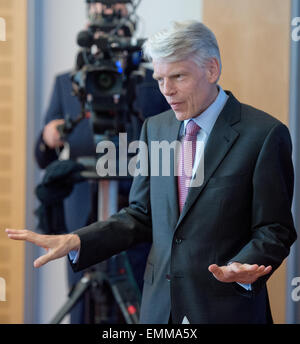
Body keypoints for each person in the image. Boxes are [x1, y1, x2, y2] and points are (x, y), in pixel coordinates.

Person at [7, 20, 297, 324]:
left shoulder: (264, 134)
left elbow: (275, 228)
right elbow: (140, 215)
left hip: (227, 309)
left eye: (178, 77)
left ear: (212, 69)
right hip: (159, 311)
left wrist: (246, 264)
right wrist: (79, 240)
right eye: (159, 79)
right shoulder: (155, 128)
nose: (167, 91)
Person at [33, 2, 170, 323]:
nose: (108, 13)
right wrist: (47, 137)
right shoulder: (68, 82)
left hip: (136, 216)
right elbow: (42, 157)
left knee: (137, 303)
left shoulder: (152, 82)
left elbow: (168, 147)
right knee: (82, 307)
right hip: (80, 214)